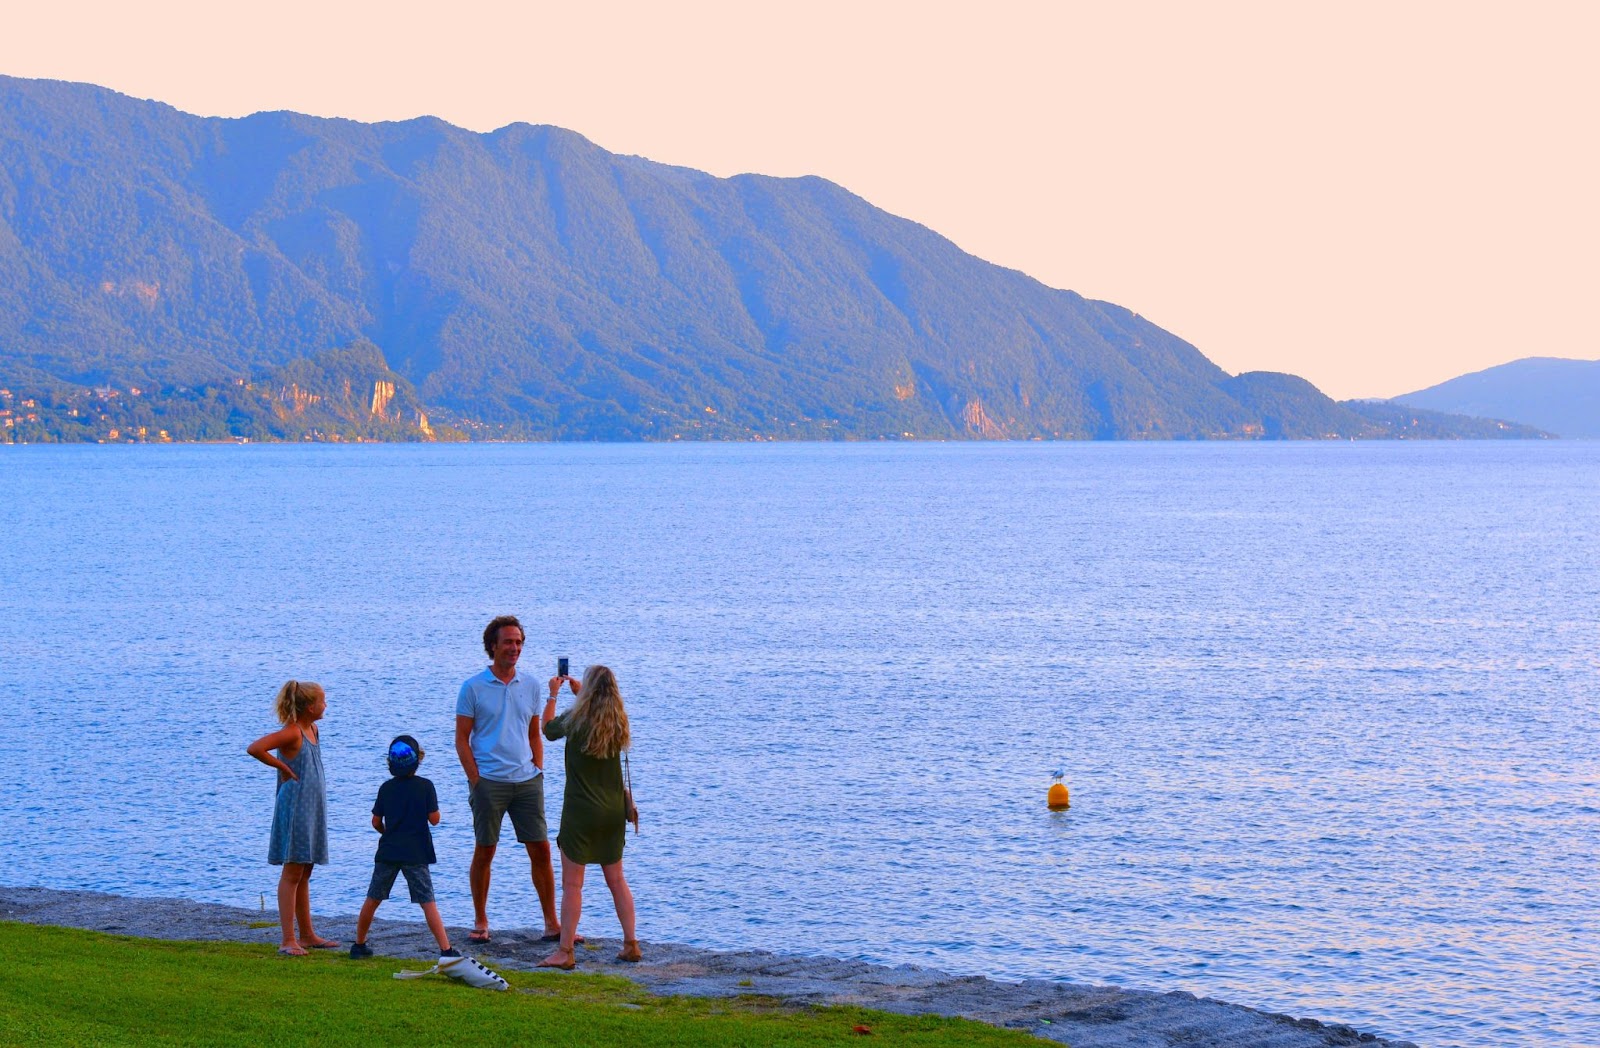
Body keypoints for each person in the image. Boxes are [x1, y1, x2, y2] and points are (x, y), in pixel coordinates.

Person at [455, 615, 574, 944]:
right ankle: (480, 920)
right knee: (485, 850)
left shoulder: (532, 685)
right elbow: (461, 739)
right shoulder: (473, 687)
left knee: (541, 850)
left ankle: (552, 922)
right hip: (488, 781)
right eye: (508, 642)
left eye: (519, 642)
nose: (515, 648)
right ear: (492, 646)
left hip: (527, 780)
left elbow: (535, 732)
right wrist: (475, 779)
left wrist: (539, 767)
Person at [538, 664, 641, 970]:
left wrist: (553, 696)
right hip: (612, 811)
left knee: (572, 885)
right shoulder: (618, 722)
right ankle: (631, 943)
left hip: (580, 812)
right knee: (617, 880)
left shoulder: (575, 719)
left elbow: (548, 729)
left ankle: (566, 951)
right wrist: (582, 693)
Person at [246, 679, 339, 956]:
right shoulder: (293, 733)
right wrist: (281, 765)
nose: (326, 705)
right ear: (310, 707)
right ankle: (288, 939)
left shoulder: (313, 729)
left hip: (312, 808)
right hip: (296, 808)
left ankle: (308, 934)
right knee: (292, 872)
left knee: (305, 870)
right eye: (323, 701)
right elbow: (256, 748)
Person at [349, 735, 457, 961]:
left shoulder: (386, 788)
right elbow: (434, 819)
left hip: (388, 850)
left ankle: (359, 944)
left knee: (373, 898)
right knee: (427, 901)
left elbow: (376, 822)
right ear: (418, 760)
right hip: (416, 852)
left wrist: (388, 833)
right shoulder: (425, 786)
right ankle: (445, 949)